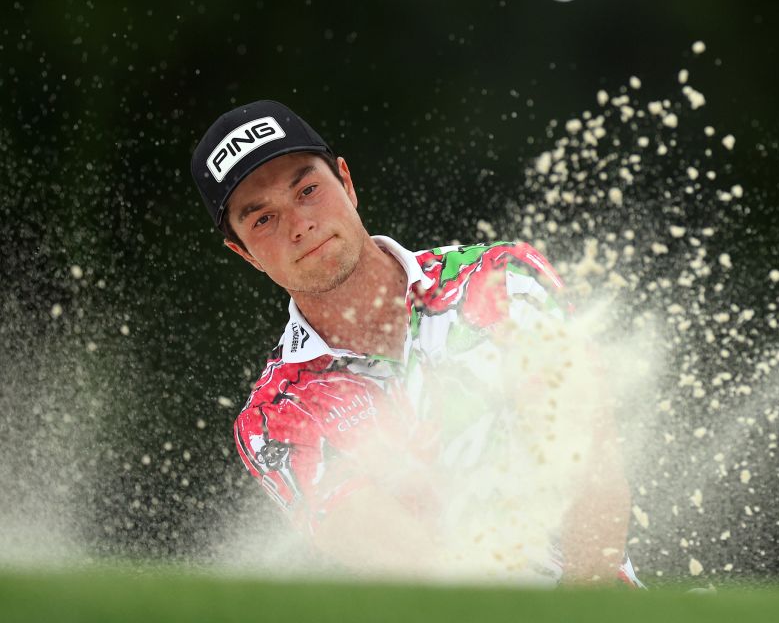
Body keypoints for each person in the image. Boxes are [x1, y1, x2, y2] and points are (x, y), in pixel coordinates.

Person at [190, 100, 640, 586]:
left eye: (308, 190)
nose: (300, 225)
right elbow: (425, 574)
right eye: (263, 220)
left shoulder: (500, 279)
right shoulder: (277, 416)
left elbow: (590, 464)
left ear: (347, 182)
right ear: (244, 254)